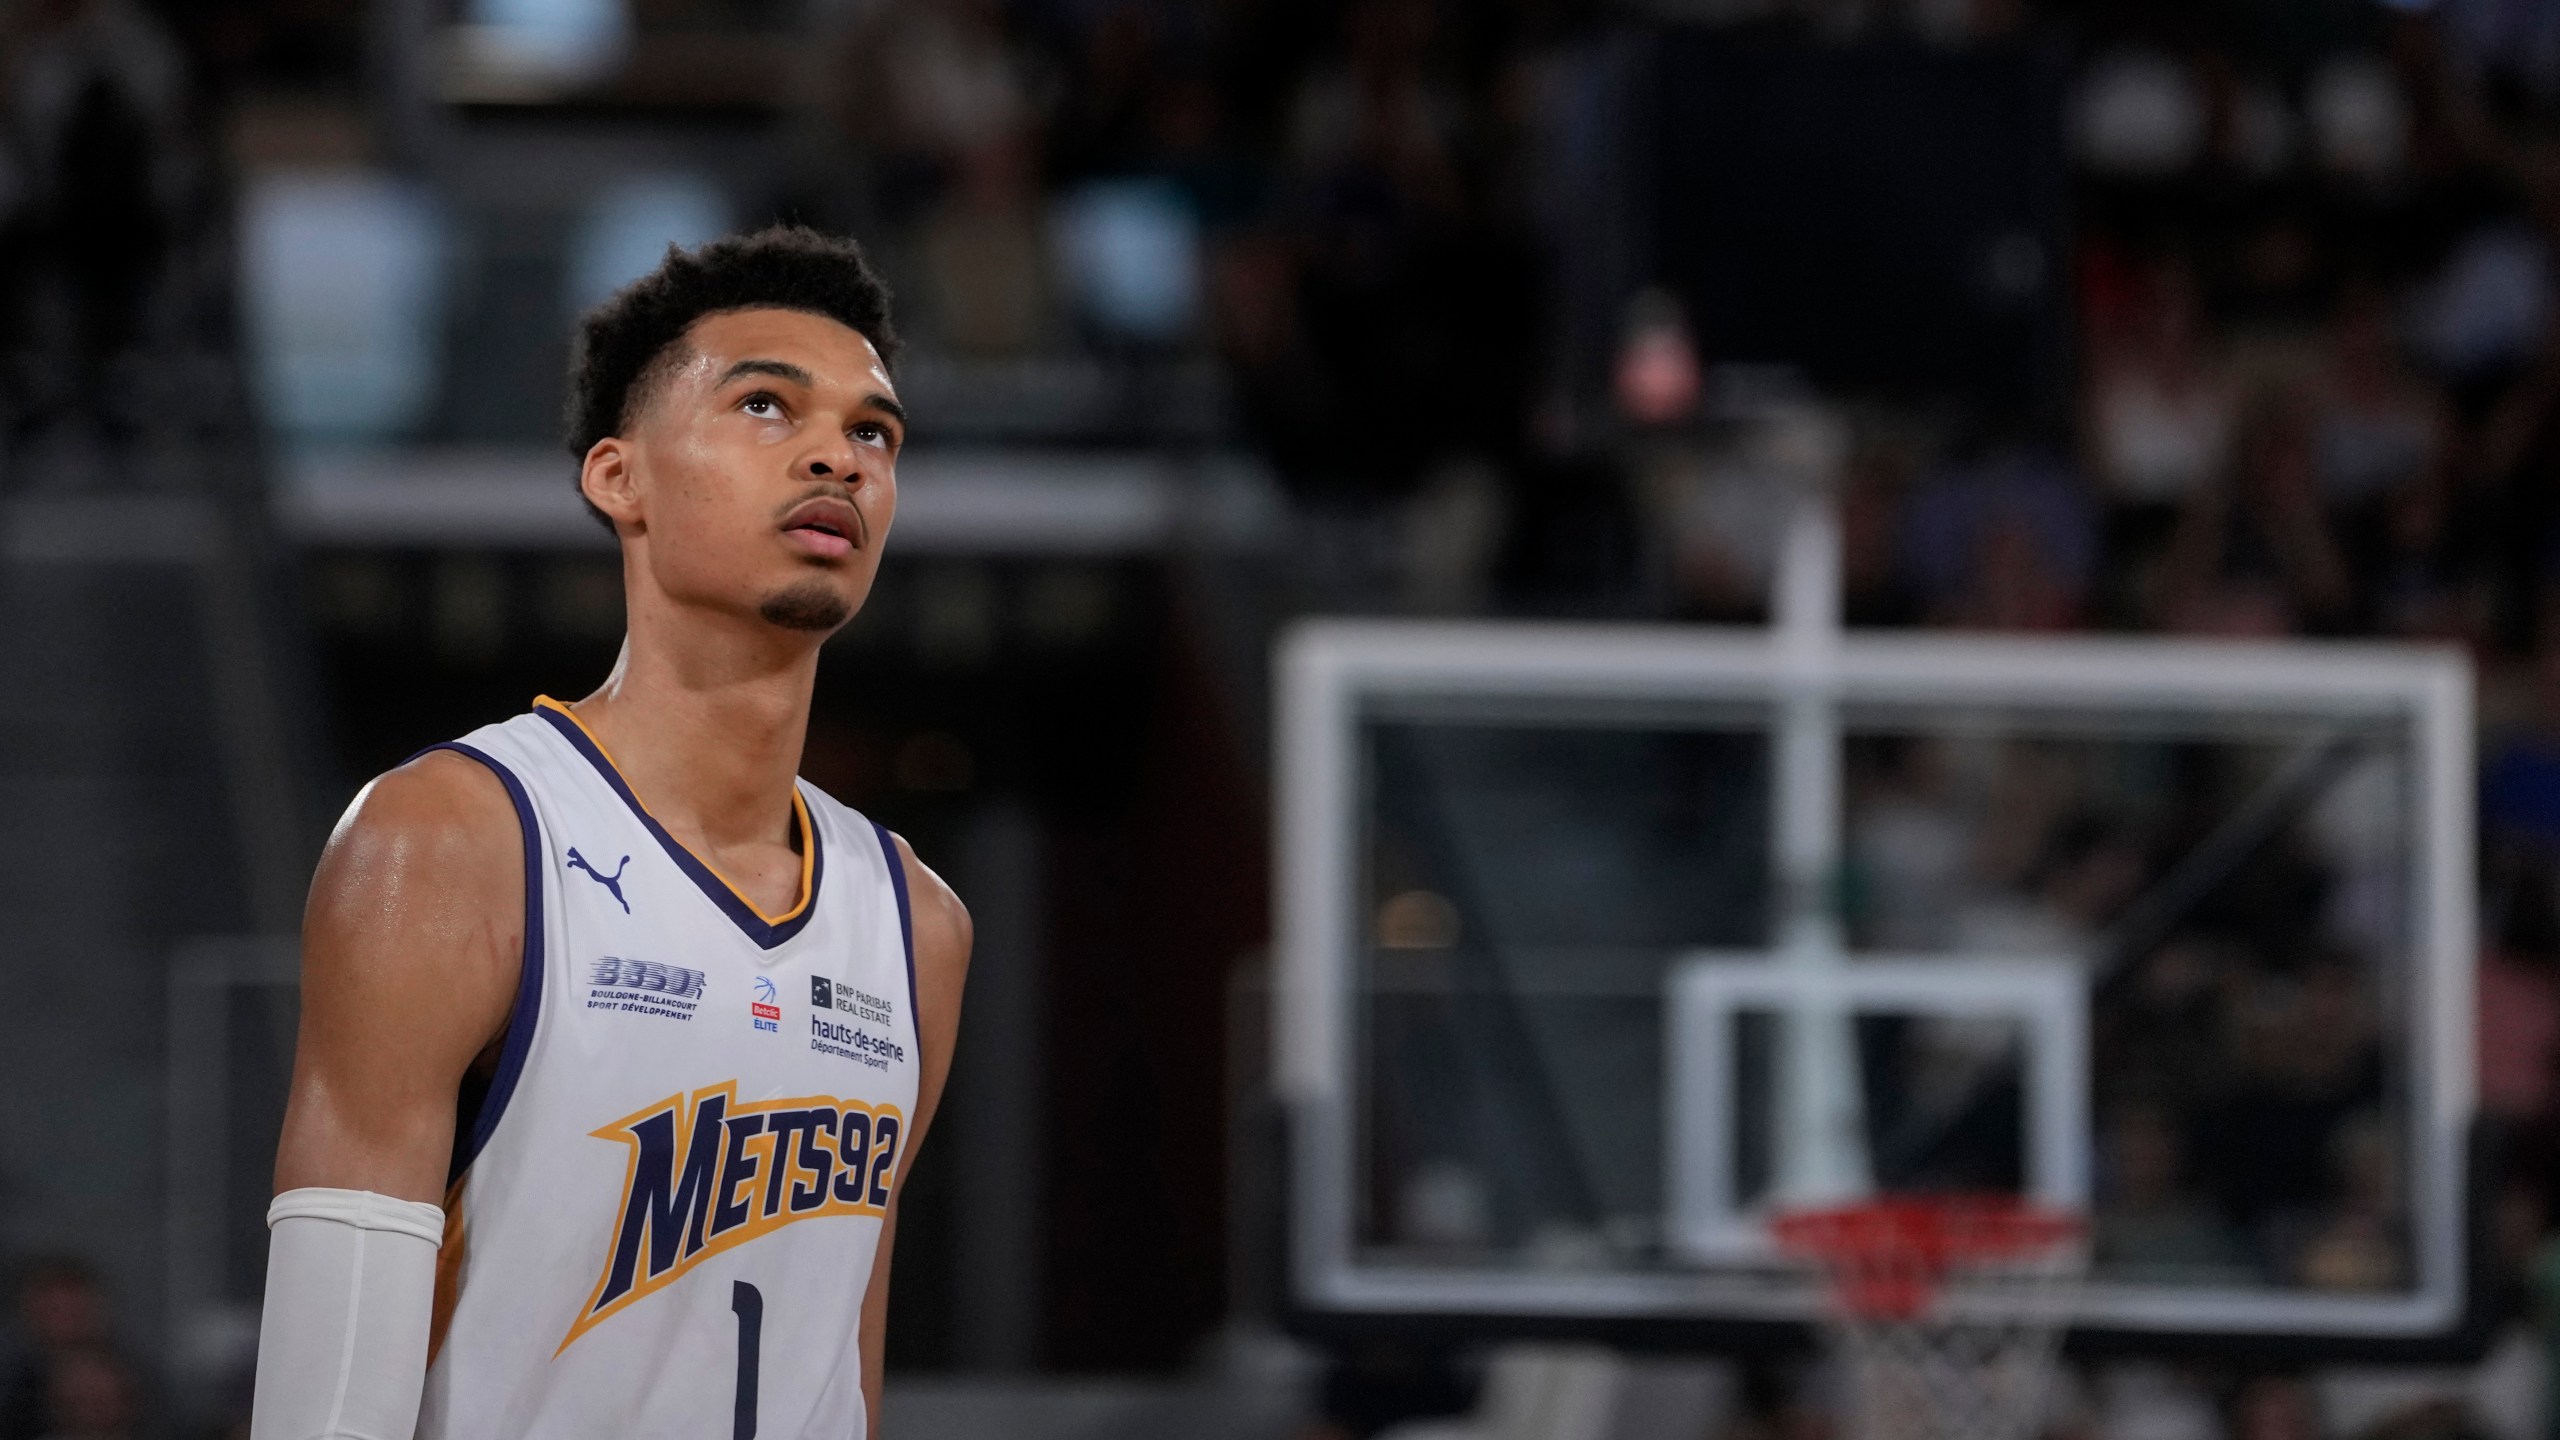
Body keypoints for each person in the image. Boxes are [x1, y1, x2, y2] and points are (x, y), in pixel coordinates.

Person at [249, 227, 971, 1440]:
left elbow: (842, 1370)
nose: (836, 459)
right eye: (763, 405)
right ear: (617, 478)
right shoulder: (450, 840)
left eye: (872, 432)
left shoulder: (918, 925)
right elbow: (325, 1399)